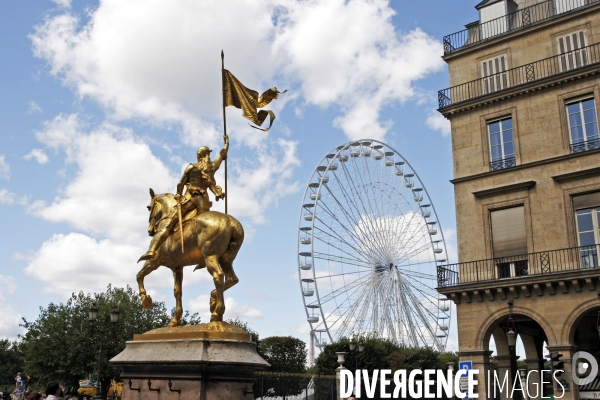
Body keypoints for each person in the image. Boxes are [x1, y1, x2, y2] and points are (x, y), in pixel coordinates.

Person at [138, 134, 229, 262]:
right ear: (208, 155)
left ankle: (152, 250)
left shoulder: (192, 167)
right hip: (204, 202)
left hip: (190, 200)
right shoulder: (212, 167)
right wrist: (226, 144)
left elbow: (180, 183)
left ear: (199, 156)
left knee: (168, 224)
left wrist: (179, 194)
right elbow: (222, 155)